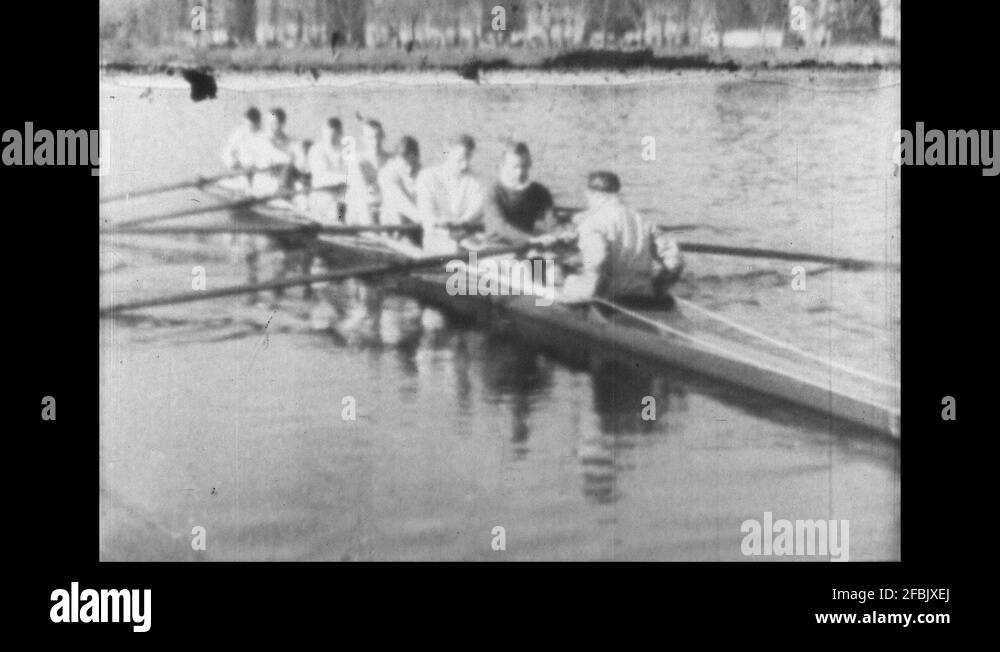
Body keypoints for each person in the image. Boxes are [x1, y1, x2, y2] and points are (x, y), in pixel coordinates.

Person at [559, 171, 683, 303]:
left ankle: (540, 305)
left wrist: (591, 292)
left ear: (590, 193)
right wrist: (658, 287)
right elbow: (675, 261)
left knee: (555, 275)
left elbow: (597, 259)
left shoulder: (592, 221)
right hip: (643, 293)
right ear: (617, 192)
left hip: (609, 296)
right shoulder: (643, 220)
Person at [415, 134, 485, 254]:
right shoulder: (427, 176)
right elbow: (427, 215)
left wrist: (463, 221)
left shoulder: (475, 178)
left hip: (466, 233)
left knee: (490, 248)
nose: (465, 164)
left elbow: (478, 206)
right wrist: (442, 223)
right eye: (460, 159)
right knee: (455, 249)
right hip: (437, 236)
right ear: (447, 153)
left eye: (468, 158)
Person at [481, 142, 555, 246]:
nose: (520, 172)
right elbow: (501, 227)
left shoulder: (540, 191)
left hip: (527, 245)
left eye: (524, 166)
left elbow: (552, 223)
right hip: (497, 248)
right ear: (502, 166)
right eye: (515, 167)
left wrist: (560, 233)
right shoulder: (493, 191)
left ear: (529, 164)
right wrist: (531, 239)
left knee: (550, 260)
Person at [344, 118, 390, 226]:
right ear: (363, 139)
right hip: (361, 209)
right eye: (370, 138)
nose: (375, 142)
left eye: (378, 136)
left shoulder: (392, 160)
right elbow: (362, 191)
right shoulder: (356, 161)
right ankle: (374, 236)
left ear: (383, 136)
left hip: (383, 205)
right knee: (364, 206)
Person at [307, 117, 349, 223]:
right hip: (323, 195)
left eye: (334, 134)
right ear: (323, 132)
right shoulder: (316, 150)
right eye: (327, 133)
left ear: (340, 133)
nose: (330, 137)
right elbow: (322, 177)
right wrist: (346, 178)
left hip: (343, 196)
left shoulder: (346, 150)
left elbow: (353, 172)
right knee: (335, 211)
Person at [377, 135, 421, 228]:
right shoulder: (386, 173)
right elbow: (401, 202)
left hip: (417, 220)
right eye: (406, 164)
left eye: (413, 163)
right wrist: (424, 219)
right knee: (396, 214)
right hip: (394, 222)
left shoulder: (422, 171)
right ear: (395, 160)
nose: (409, 169)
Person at [249, 107, 294, 197]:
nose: (269, 126)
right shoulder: (259, 139)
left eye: (274, 123)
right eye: (267, 122)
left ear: (282, 124)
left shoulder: (290, 141)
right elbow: (278, 155)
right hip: (263, 182)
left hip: (284, 182)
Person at [221, 106, 262, 171]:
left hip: (261, 171)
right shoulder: (239, 133)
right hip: (242, 171)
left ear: (258, 122)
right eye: (246, 124)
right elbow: (226, 152)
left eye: (251, 126)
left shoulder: (264, 133)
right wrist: (234, 164)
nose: (247, 128)